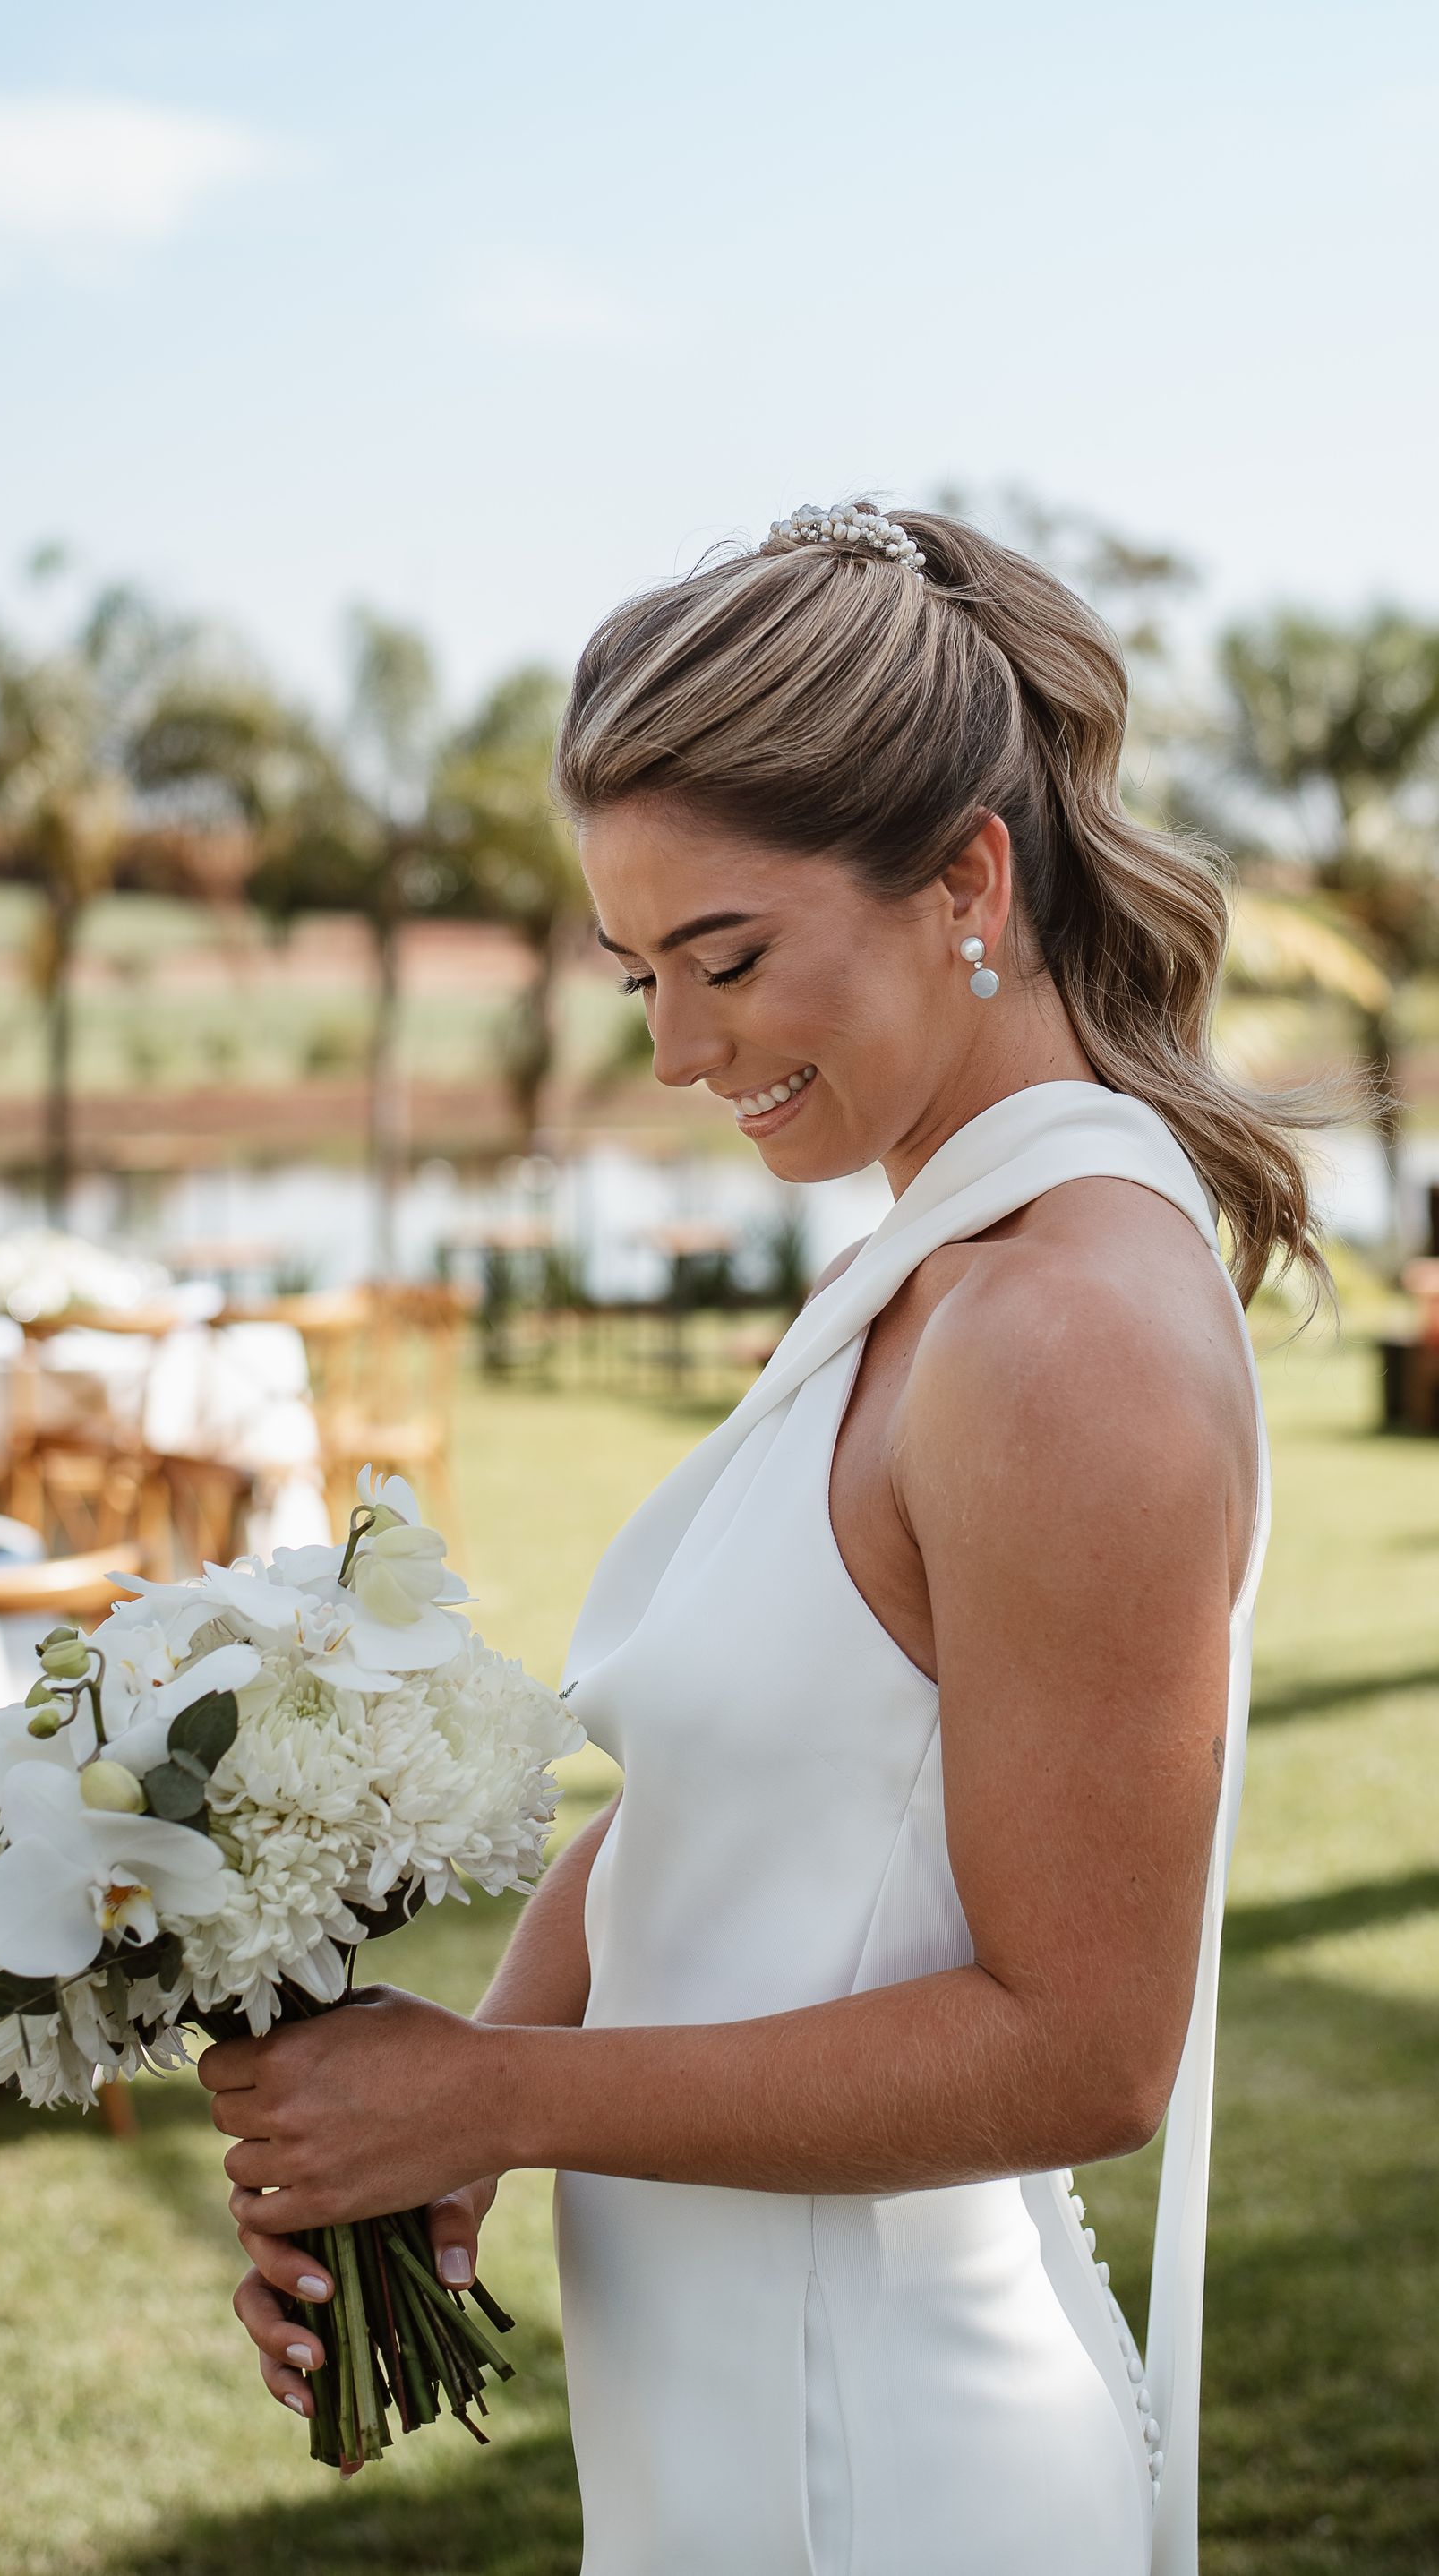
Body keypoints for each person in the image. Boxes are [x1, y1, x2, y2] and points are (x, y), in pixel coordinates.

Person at [202, 498, 1330, 2574]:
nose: (678, 1049)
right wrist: (440, 2129)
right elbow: (733, 1801)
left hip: (885, 2463)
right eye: (638, 972)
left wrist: (500, 2100)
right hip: (737, 2425)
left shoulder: (1060, 1329)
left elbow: (1086, 2047)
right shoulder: (926, 1262)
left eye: (726, 958)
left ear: (967, 877)